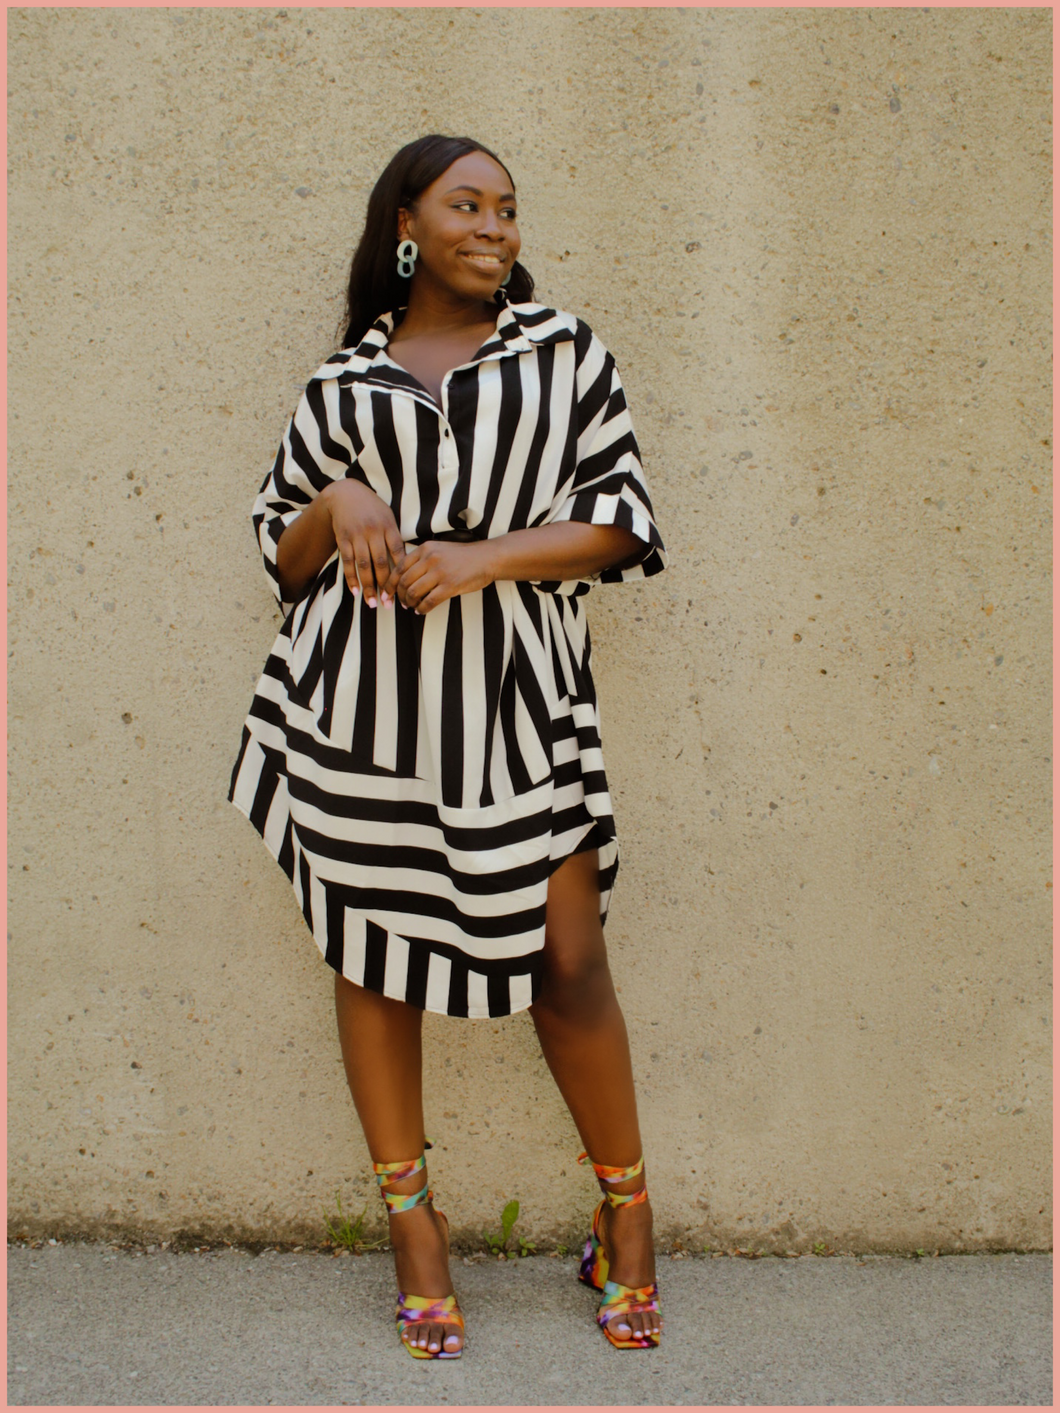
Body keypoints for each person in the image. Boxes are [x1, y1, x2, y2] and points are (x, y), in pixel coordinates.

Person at [229, 134, 667, 1358]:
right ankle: (413, 1234)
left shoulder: (563, 350)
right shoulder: (340, 386)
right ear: (408, 224)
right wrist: (342, 500)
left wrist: (481, 556)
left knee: (567, 962)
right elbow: (282, 548)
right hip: (363, 706)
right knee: (375, 955)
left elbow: (622, 524)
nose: (496, 226)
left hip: (520, 698)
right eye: (468, 203)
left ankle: (626, 1219)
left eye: (510, 209)